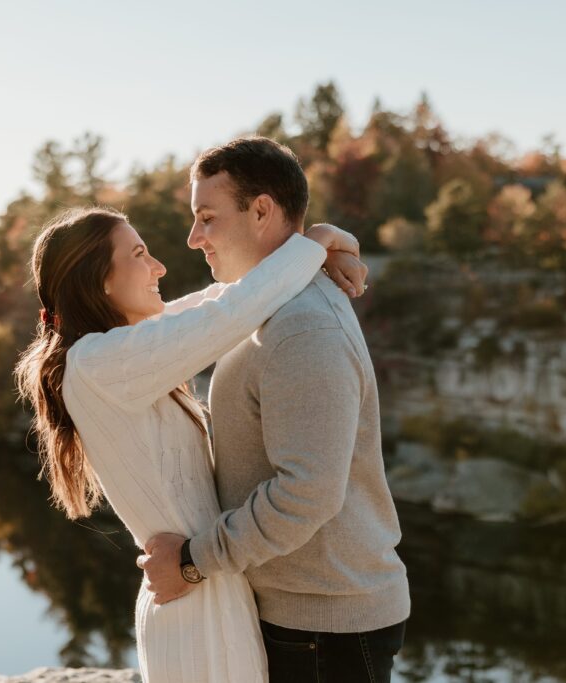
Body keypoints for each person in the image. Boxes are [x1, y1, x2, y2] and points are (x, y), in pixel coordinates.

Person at [14, 204, 366, 682]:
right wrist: (319, 239)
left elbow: (226, 296)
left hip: (200, 589)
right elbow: (235, 311)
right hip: (193, 603)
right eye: (139, 254)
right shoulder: (102, 363)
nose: (159, 267)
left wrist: (326, 242)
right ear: (100, 282)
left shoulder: (123, 346)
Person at [139, 136, 411, 683]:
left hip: (325, 625)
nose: (194, 239)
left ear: (261, 210)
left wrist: (193, 561)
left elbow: (306, 493)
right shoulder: (262, 303)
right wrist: (313, 244)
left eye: (208, 218)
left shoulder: (302, 326)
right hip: (304, 616)